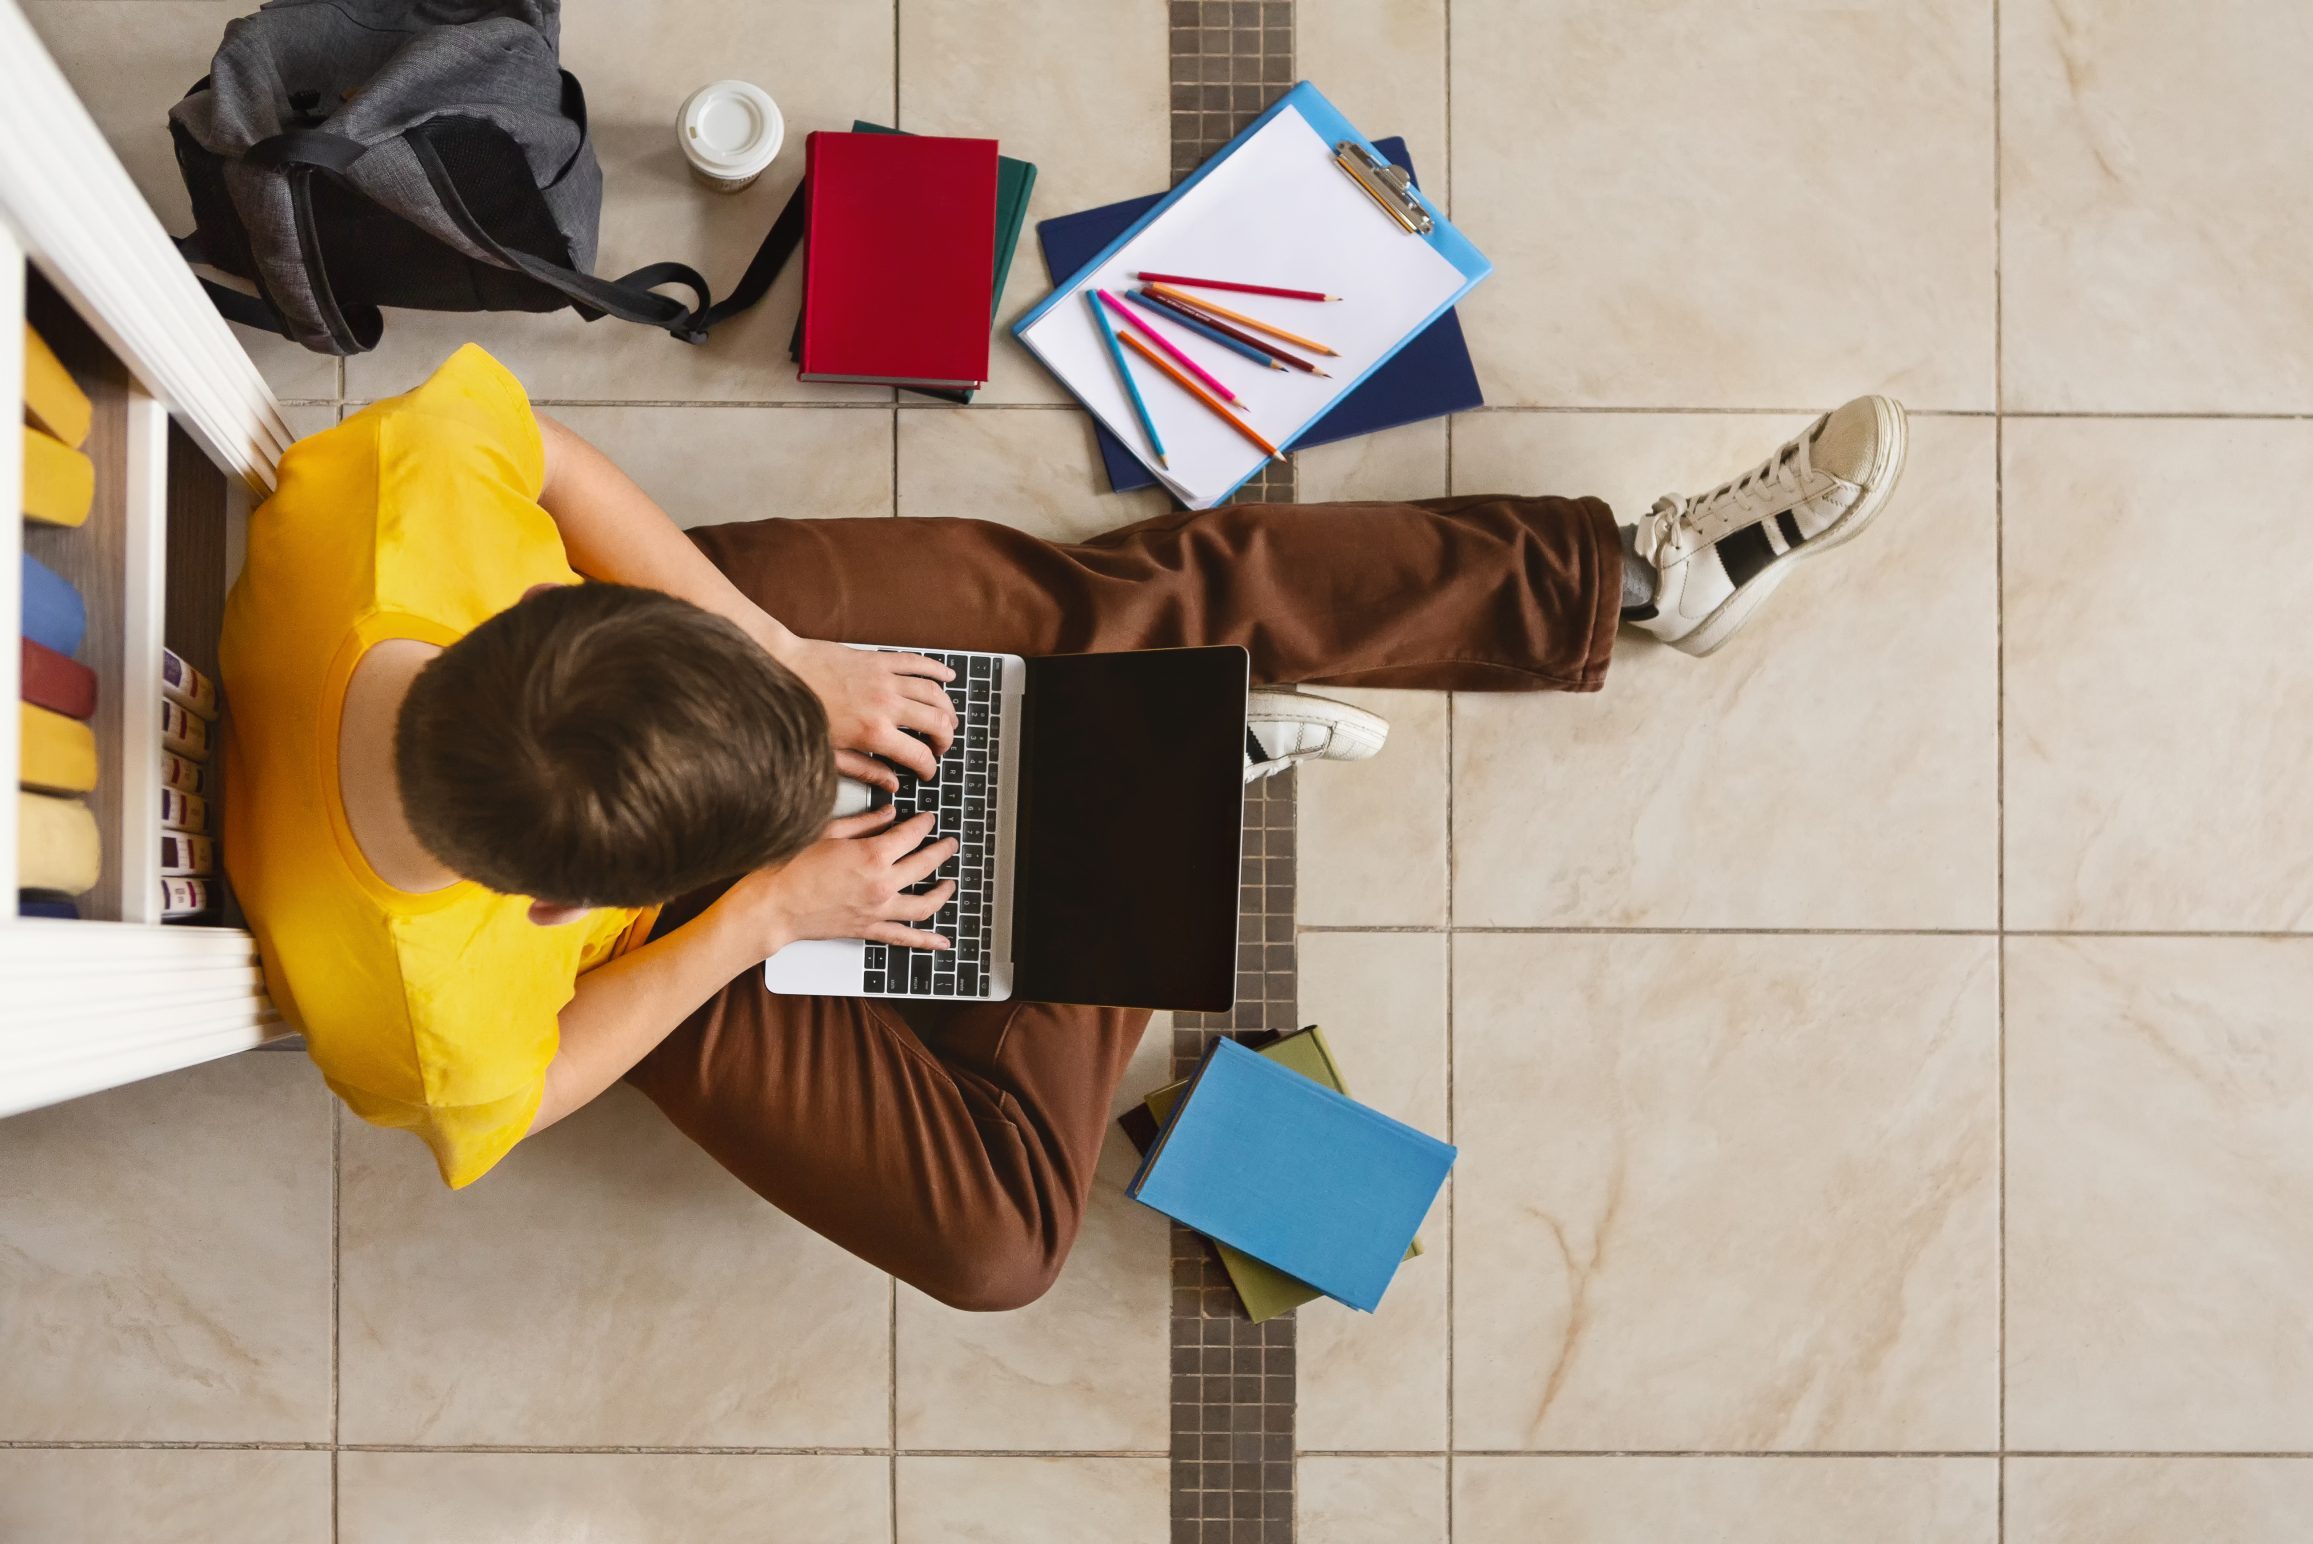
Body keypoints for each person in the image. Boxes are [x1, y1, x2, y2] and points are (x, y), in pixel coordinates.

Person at [222, 345, 1906, 1311]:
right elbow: (560, 1066)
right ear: (545, 912)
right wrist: (758, 912)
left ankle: (1632, 581)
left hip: (703, 657)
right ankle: (1158, 780)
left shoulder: (397, 492)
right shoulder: (423, 1025)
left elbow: (560, 465)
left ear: (524, 620)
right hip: (676, 945)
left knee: (1132, 611)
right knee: (1003, 1235)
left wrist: (783, 656)